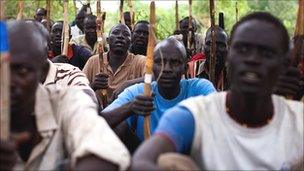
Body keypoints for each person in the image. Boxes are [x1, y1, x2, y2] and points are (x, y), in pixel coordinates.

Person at [131, 12, 303, 170]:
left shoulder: (299, 121)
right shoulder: (194, 115)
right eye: (243, 49)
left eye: (266, 53)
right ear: (229, 56)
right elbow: (143, 160)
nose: (252, 59)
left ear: (285, 65)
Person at [0, 20, 130, 171]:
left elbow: (105, 153)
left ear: (43, 71)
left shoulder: (67, 101)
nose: (7, 81)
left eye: (21, 71)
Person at [101, 37, 215, 151]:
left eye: (174, 62)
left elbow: (221, 117)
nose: (166, 69)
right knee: (116, 126)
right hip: (146, 161)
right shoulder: (138, 92)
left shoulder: (200, 89)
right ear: (151, 68)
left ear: (185, 69)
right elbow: (99, 121)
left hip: (190, 163)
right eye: (160, 62)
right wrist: (130, 107)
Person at [82, 23, 146, 105]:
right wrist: (93, 86)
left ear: (130, 42)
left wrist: (128, 84)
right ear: (108, 40)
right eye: (116, 33)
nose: (120, 36)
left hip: (127, 115)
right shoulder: (93, 61)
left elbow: (154, 77)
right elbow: (78, 91)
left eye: (126, 34)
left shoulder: (139, 61)